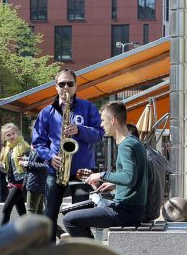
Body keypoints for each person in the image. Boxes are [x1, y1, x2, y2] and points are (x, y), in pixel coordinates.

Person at [31, 68, 105, 239]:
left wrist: (80, 130)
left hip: (82, 171)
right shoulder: (47, 112)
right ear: (55, 87)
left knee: (81, 215)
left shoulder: (87, 108)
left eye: (70, 84)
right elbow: (38, 142)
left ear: (76, 86)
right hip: (56, 169)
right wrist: (50, 157)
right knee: (49, 215)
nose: (66, 87)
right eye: (61, 84)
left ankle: (83, 253)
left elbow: (99, 134)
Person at [63, 102, 148, 238]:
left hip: (125, 211)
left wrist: (101, 175)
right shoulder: (134, 142)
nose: (101, 125)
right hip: (133, 209)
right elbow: (139, 177)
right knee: (75, 216)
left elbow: (129, 178)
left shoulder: (126, 146)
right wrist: (114, 185)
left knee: (69, 219)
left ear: (112, 120)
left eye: (103, 120)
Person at [0, 122, 30, 224]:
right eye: (8, 135)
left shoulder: (24, 145)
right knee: (22, 213)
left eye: (13, 133)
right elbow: (6, 169)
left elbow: (32, 160)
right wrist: (0, 165)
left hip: (20, 182)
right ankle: (31, 235)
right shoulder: (7, 148)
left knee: (6, 209)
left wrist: (24, 160)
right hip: (11, 182)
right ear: (4, 137)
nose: (11, 136)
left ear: (17, 133)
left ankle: (0, 237)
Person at [20, 148, 48, 214]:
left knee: (31, 211)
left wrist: (28, 163)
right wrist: (25, 159)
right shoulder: (40, 147)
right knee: (39, 212)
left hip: (36, 184)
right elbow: (36, 159)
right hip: (36, 183)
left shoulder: (43, 148)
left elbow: (47, 166)